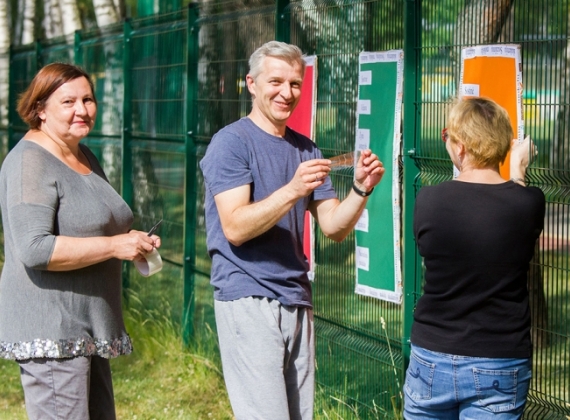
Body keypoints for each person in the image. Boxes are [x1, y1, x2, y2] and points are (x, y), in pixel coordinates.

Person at [200, 40, 385, 419]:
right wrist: (293, 190)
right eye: (276, 82)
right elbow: (235, 227)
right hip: (247, 295)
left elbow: (333, 226)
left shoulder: (307, 150)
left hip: (297, 298)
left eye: (295, 83)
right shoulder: (231, 143)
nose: (287, 93)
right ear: (251, 83)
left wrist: (361, 188)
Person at [0, 63, 161, 419]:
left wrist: (130, 240)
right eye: (68, 101)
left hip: (86, 326)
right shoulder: (31, 162)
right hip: (53, 330)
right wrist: (115, 247)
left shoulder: (81, 153)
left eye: (88, 99)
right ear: (40, 109)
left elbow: (93, 226)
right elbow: (34, 247)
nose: (81, 110)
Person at [403, 97, 545, 419]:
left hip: (431, 356)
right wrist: (519, 168)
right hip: (499, 359)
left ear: (462, 148)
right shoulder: (529, 203)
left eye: (448, 136)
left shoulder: (427, 200)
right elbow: (516, 200)